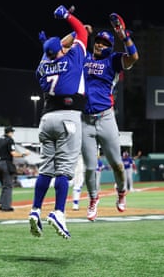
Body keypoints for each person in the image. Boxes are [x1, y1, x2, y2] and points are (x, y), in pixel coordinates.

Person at [64, 12, 139, 221]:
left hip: (105, 118)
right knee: (89, 167)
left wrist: (123, 35)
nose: (100, 45)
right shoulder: (85, 57)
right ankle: (93, 199)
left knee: (116, 163)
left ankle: (121, 192)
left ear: (111, 46)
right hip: (85, 120)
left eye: (105, 43)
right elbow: (64, 46)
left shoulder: (114, 60)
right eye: (98, 42)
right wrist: (77, 31)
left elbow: (133, 57)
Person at [28, 4, 88, 239]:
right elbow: (81, 32)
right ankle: (59, 213)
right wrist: (67, 16)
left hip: (46, 119)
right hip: (68, 117)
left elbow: (54, 49)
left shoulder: (42, 65)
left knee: (46, 169)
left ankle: (35, 210)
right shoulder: (72, 57)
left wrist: (49, 46)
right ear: (61, 49)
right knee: (64, 170)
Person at [0, 126, 30, 212]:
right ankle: (6, 206)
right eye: (12, 132)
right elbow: (13, 153)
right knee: (8, 185)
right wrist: (24, 154)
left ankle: (1, 203)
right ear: (10, 132)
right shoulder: (9, 140)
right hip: (6, 163)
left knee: (4, 185)